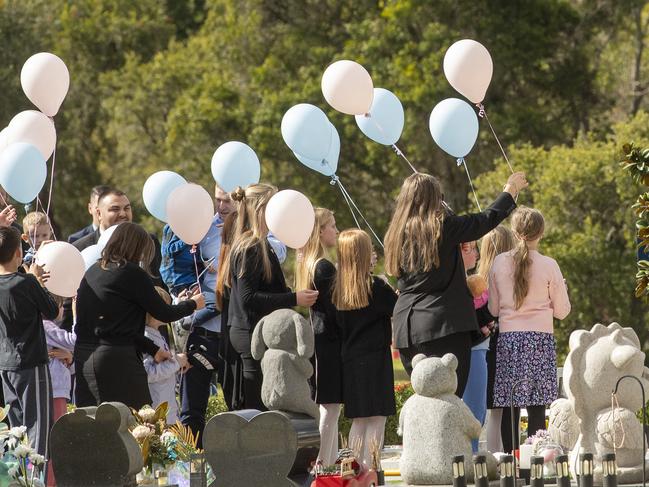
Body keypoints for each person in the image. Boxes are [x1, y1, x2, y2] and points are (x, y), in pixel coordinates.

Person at [383, 171, 527, 396]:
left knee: (425, 402)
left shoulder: (395, 235)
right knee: (449, 401)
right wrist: (510, 190)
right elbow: (484, 220)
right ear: (434, 199)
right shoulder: (443, 228)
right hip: (443, 326)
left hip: (407, 329)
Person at [74, 222, 204, 409]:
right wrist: (192, 304)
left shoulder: (93, 270)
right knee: (139, 420)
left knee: (94, 424)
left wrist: (153, 350)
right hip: (117, 360)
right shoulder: (131, 273)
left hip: (85, 357)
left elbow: (116, 325)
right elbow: (163, 312)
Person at [228, 184, 318, 410]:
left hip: (256, 331)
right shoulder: (250, 247)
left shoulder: (261, 244)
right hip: (251, 334)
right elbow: (248, 297)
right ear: (262, 210)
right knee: (256, 404)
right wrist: (293, 299)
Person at [489, 207, 571, 453]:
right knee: (537, 406)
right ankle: (535, 463)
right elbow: (562, 311)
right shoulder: (549, 265)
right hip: (540, 340)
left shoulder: (498, 263)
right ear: (541, 233)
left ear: (514, 232)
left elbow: (493, 309)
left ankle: (511, 463)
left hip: (509, 340)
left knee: (510, 405)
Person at [333, 229, 397, 467]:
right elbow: (397, 309)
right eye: (370, 250)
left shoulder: (338, 290)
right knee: (377, 418)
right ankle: (372, 468)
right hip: (375, 358)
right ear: (361, 255)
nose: (375, 254)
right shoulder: (376, 287)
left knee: (358, 420)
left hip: (350, 359)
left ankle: (354, 468)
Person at [0, 226, 59, 459]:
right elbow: (52, 310)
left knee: (15, 428)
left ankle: (17, 480)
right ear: (18, 252)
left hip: (5, 364)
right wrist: (38, 282)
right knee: (39, 428)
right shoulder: (26, 283)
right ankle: (36, 481)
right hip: (30, 361)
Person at [295, 208, 341, 466]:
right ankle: (324, 463)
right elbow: (335, 307)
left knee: (331, 407)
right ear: (320, 231)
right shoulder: (322, 266)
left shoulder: (312, 263)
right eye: (332, 226)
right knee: (330, 406)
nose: (336, 230)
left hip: (322, 340)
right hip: (327, 341)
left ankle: (330, 461)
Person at [475, 226, 515, 453]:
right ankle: (501, 457)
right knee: (501, 408)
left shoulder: (478, 280)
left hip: (485, 349)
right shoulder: (505, 278)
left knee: (494, 411)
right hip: (503, 347)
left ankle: (492, 458)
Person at [460, 240, 495, 453]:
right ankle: (470, 455)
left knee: (477, 411)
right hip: (473, 349)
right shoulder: (461, 285)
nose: (476, 254)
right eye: (471, 249)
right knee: (475, 410)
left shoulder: (469, 282)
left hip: (478, 348)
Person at [143, 287, 190, 424]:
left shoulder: (156, 334)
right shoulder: (146, 337)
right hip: (158, 412)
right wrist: (176, 363)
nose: (169, 311)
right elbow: (149, 374)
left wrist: (177, 366)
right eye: (165, 307)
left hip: (168, 410)